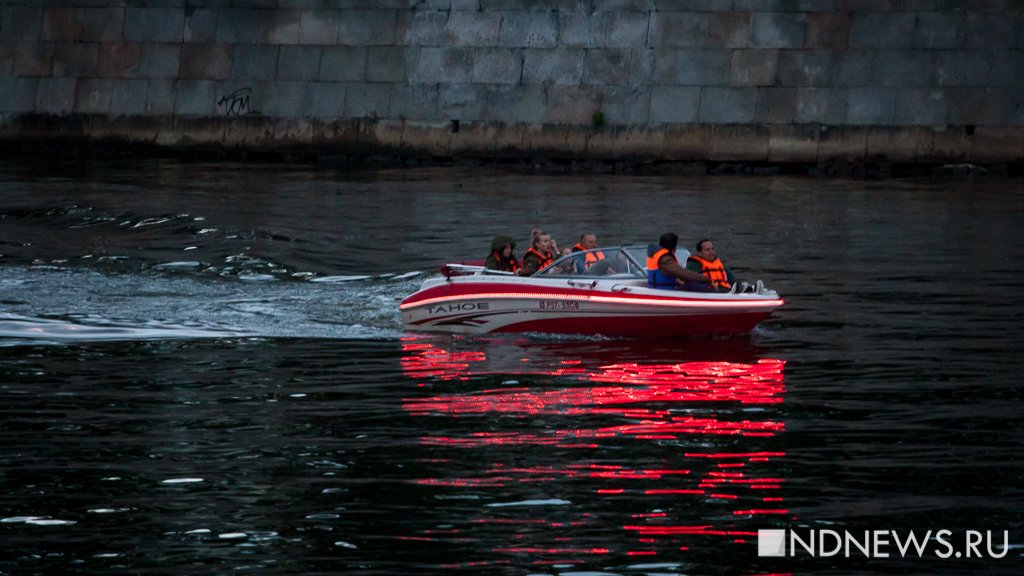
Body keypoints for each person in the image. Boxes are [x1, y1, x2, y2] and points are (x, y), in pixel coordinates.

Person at [645, 232, 711, 290]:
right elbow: (683, 273)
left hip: (658, 288)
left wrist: (677, 279)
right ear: (674, 248)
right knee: (694, 285)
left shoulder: (655, 254)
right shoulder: (665, 259)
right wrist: (706, 279)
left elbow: (666, 273)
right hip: (664, 291)